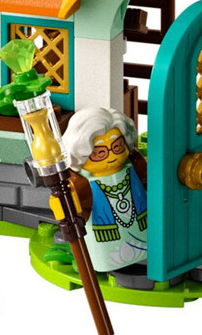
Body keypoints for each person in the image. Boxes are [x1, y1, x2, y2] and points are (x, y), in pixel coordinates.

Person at [51, 106, 148, 272]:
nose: (112, 156)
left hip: (144, 229)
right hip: (106, 246)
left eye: (117, 147)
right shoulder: (82, 182)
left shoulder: (135, 165)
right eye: (100, 153)